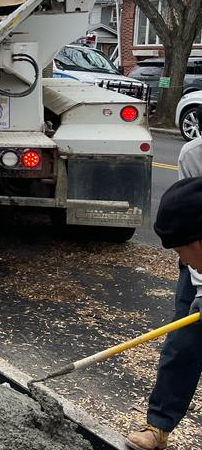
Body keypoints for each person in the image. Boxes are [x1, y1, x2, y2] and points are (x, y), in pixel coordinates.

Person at [125, 144, 202, 450]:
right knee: (185, 339)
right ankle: (159, 424)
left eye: (180, 253)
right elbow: (188, 222)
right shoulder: (195, 154)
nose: (180, 260)